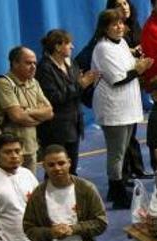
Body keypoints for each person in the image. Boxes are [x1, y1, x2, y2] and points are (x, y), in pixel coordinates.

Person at [91, 9, 152, 209]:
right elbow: (117, 78)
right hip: (114, 107)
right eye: (114, 24)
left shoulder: (123, 43)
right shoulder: (102, 48)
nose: (119, 27)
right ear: (105, 27)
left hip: (128, 105)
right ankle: (117, 192)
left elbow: (128, 66)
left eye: (121, 23)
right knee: (116, 153)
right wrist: (139, 69)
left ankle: (116, 186)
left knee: (123, 150)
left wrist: (137, 63)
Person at [36, 29, 98, 175]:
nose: (72, 47)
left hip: (73, 125)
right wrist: (80, 85)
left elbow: (77, 92)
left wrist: (87, 84)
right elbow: (54, 98)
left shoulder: (72, 65)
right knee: (56, 171)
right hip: (55, 129)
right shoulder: (44, 69)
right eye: (68, 43)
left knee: (71, 169)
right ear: (58, 46)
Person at [0, 46, 53, 173]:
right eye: (28, 63)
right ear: (15, 63)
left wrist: (29, 111)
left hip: (31, 147)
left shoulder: (33, 82)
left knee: (29, 188)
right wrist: (39, 116)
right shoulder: (4, 83)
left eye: (34, 63)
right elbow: (17, 116)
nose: (33, 66)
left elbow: (50, 112)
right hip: (9, 150)